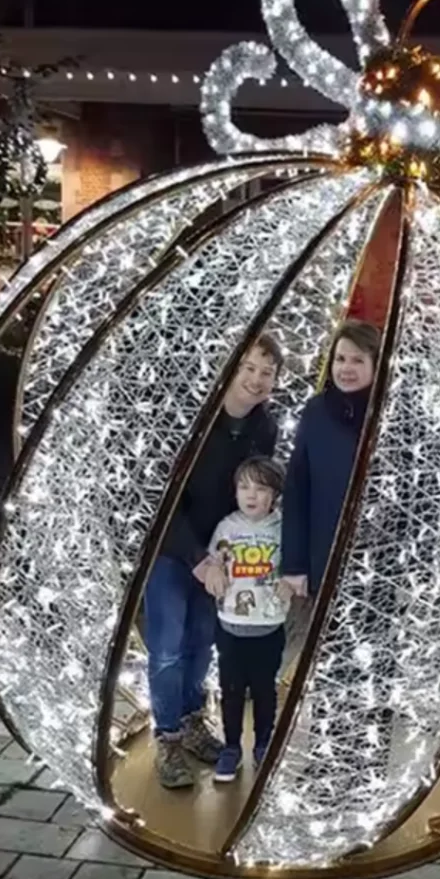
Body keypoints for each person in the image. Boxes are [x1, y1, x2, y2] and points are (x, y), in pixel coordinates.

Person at [143, 336, 281, 789]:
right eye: (249, 368)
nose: (256, 379)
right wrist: (197, 557)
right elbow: (162, 501)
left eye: (266, 372)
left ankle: (191, 718)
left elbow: (256, 495)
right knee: (166, 648)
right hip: (174, 549)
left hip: (221, 556)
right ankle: (167, 737)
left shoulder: (265, 429)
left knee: (202, 642)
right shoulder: (194, 420)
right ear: (229, 367)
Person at [281, 320, 381, 640]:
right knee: (329, 648)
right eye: (340, 359)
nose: (346, 368)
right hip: (326, 559)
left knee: (377, 652)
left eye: (357, 360)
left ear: (376, 365)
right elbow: (297, 488)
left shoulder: (392, 415)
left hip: (380, 564)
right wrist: (294, 563)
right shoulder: (316, 412)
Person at [195, 456, 290, 782]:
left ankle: (264, 744)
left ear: (275, 494)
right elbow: (213, 560)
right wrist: (216, 568)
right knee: (231, 690)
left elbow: (294, 567)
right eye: (244, 487)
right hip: (231, 626)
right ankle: (231, 747)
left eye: (261, 489)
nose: (251, 495)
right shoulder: (227, 527)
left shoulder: (283, 529)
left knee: (265, 690)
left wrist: (289, 581)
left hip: (269, 625)